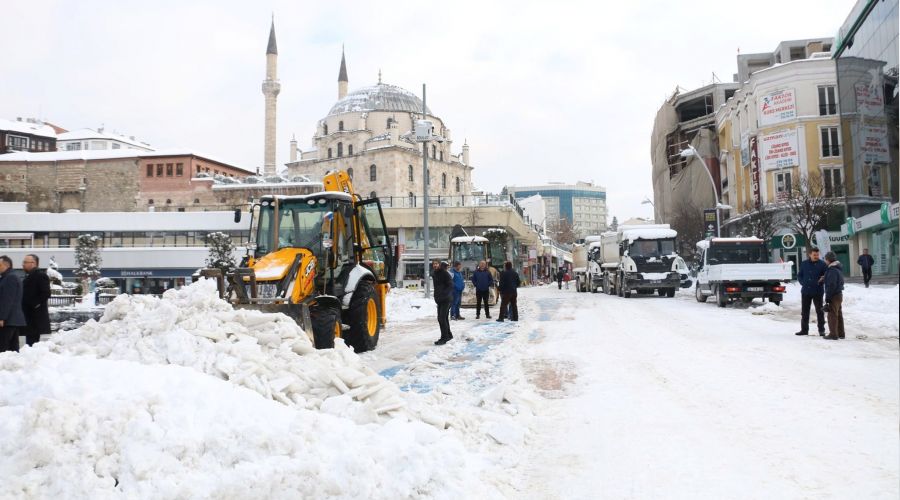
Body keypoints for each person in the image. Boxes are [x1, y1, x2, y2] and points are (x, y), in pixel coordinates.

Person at [796, 247, 827, 336]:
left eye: (817, 255)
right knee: (805, 311)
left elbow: (826, 276)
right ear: (810, 254)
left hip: (818, 291)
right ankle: (804, 330)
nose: (816, 256)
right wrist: (803, 283)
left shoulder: (822, 264)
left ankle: (821, 330)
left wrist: (821, 281)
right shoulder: (804, 264)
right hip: (806, 291)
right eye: (814, 255)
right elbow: (800, 275)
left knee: (820, 311)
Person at [21, 254, 51, 347]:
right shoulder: (29, 276)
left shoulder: (40, 275)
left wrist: (34, 304)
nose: (23, 264)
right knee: (30, 341)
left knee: (33, 343)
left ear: (33, 263)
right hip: (29, 316)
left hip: (35, 317)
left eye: (25, 262)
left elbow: (46, 293)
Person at [0, 255, 26, 353]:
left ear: (6, 265)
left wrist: (2, 318)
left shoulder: (10, 278)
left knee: (3, 347)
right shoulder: (8, 277)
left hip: (8, 320)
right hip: (11, 319)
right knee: (13, 348)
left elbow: (7, 300)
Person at [823, 252, 845, 340]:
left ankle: (833, 334)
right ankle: (840, 333)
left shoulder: (832, 270)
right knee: (838, 314)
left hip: (834, 295)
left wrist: (828, 297)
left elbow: (831, 285)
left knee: (832, 315)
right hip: (839, 294)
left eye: (825, 259)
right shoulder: (837, 269)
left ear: (828, 260)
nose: (825, 261)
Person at [432, 261, 454, 345]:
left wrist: (444, 294)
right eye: (434, 264)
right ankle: (449, 335)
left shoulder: (444, 273)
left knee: (441, 318)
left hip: (446, 299)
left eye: (436, 264)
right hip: (439, 299)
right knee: (443, 318)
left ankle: (444, 338)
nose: (435, 265)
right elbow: (437, 287)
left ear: (439, 265)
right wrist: (437, 296)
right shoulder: (434, 273)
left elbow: (451, 285)